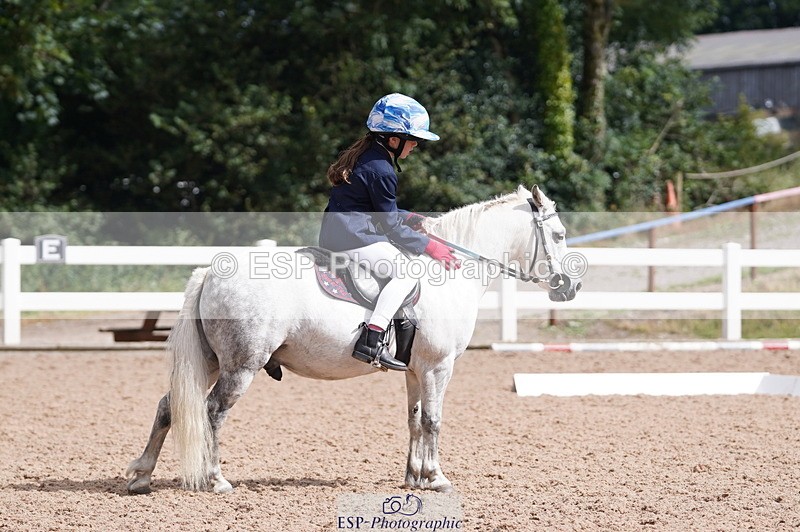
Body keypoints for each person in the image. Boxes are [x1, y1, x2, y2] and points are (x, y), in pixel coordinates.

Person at [319, 93, 460, 371]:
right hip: (355, 238)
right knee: (409, 271)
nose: (416, 145)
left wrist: (410, 217)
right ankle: (371, 339)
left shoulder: (366, 157)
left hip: (338, 231)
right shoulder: (383, 170)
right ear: (393, 139)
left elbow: (379, 208)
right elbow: (390, 227)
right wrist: (431, 247)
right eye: (413, 139)